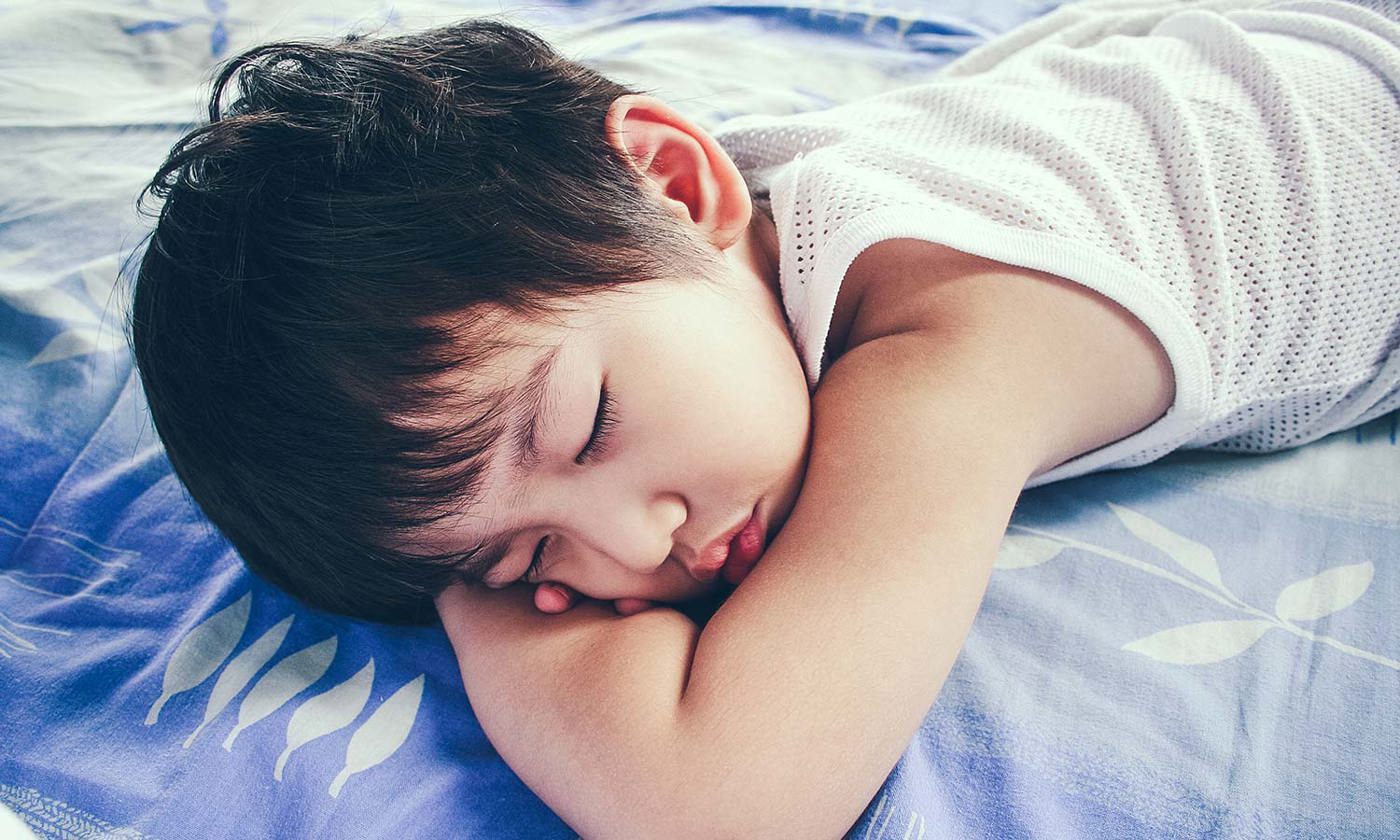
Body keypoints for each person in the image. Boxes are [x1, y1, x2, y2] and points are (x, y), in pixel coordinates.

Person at [129, 0, 1399, 835]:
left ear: (682, 179)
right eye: (525, 561)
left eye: (587, 431)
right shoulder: (666, 258)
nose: (636, 551)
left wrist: (479, 603)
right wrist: (444, 536)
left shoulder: (961, 338)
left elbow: (719, 805)